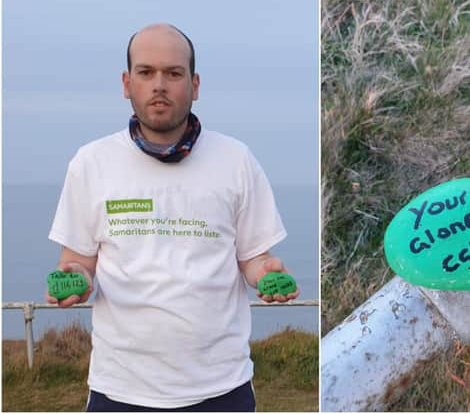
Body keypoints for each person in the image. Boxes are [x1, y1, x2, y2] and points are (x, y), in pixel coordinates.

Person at [46, 23, 299, 412]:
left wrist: (266, 274)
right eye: (146, 73)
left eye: (173, 73)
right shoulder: (91, 163)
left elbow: (253, 257)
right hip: (119, 392)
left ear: (195, 85)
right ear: (127, 83)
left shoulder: (236, 160)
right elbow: (77, 261)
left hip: (221, 390)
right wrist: (76, 281)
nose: (159, 85)